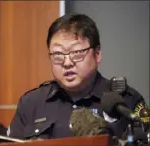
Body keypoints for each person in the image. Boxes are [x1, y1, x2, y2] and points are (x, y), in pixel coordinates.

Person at [8, 13, 146, 140]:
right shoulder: (32, 103)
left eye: (77, 52)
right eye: (58, 54)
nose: (67, 63)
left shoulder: (125, 101)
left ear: (97, 54)